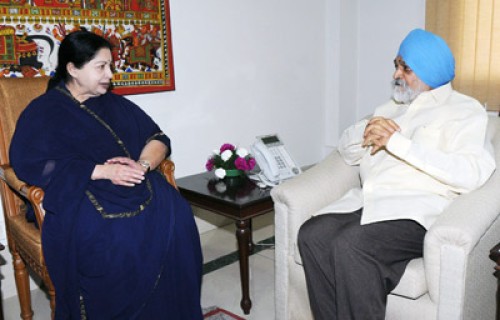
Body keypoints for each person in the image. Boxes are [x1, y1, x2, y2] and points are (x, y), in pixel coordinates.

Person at [297, 28, 496, 320]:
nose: (396, 75)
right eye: (396, 65)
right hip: (370, 201)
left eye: (406, 68)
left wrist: (398, 144)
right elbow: (348, 153)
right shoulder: (390, 108)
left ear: (430, 69)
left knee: (351, 245)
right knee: (311, 234)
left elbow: (470, 173)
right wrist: (364, 131)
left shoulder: (466, 111)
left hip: (417, 212)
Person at [9, 30, 203, 319]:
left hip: (136, 181)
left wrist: (143, 165)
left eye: (110, 66)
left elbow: (158, 138)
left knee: (177, 216)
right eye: (101, 67)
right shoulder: (45, 111)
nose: (109, 74)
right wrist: (100, 171)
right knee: (113, 236)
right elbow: (30, 163)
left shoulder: (113, 103)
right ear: (73, 69)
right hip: (80, 193)